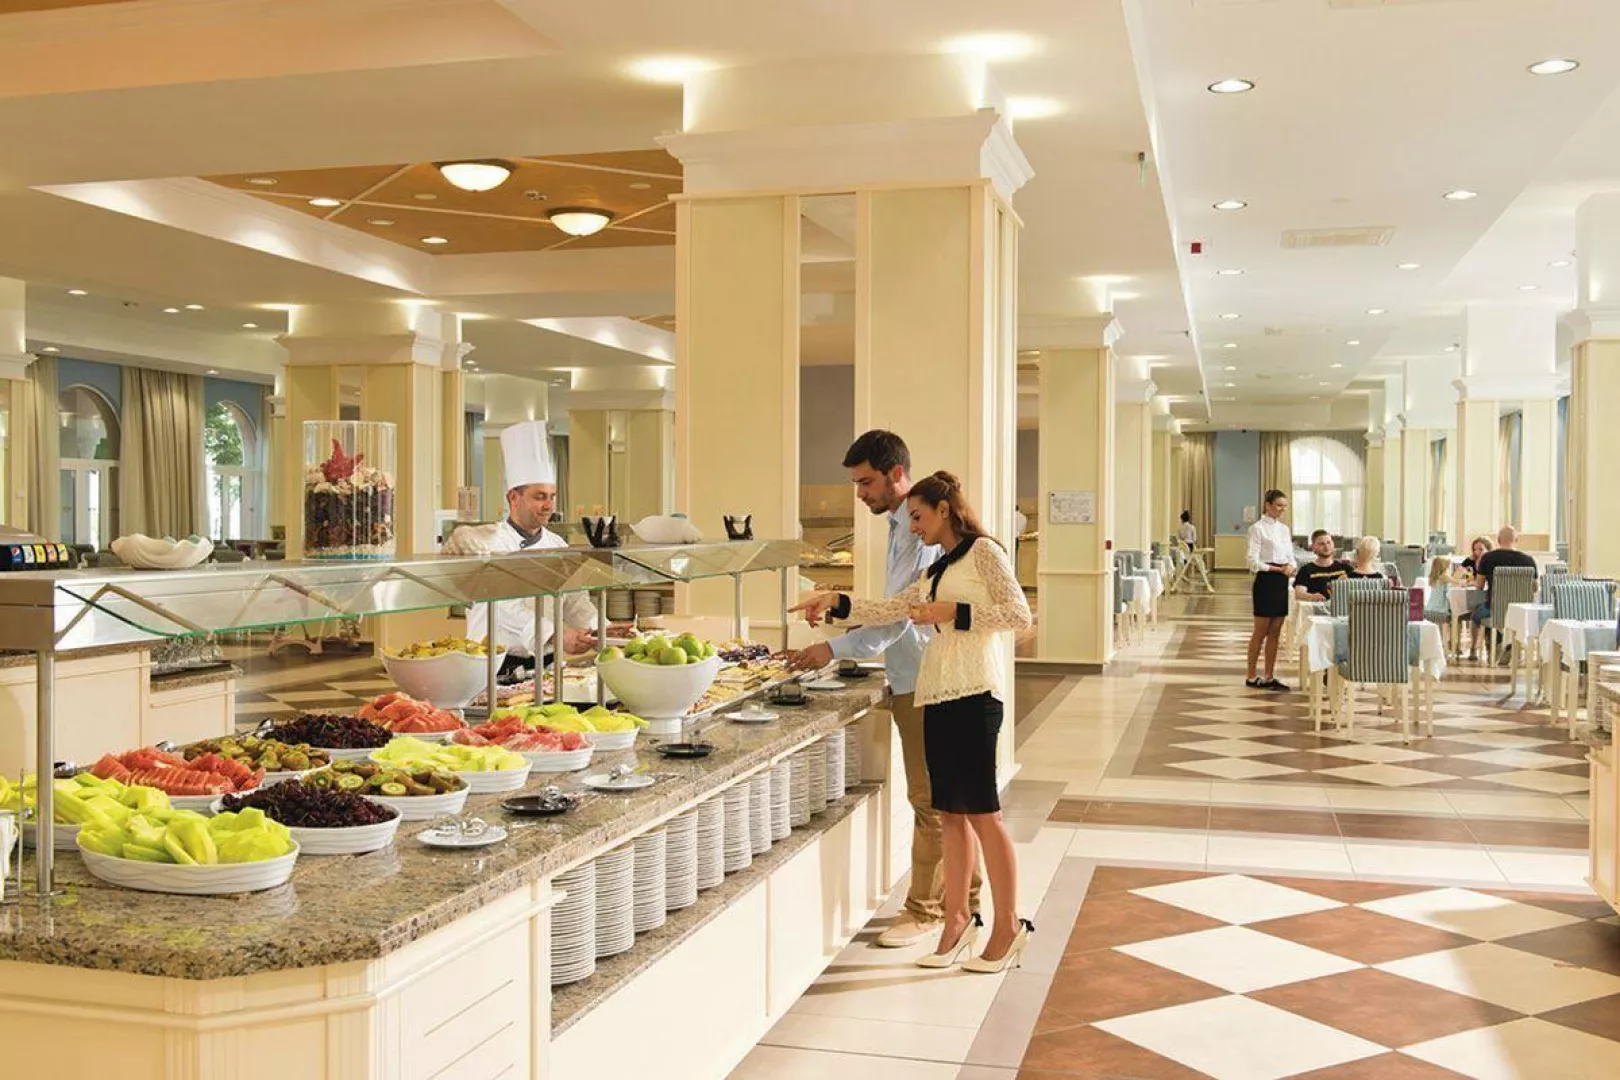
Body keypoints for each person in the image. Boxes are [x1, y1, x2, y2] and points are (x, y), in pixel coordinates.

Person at [792, 472, 1033, 973]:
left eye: (919, 517)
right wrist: (836, 600)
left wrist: (955, 612)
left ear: (944, 509)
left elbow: (1019, 616)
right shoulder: (937, 567)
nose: (914, 527)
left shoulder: (984, 552)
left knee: (983, 816)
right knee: (949, 816)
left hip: (975, 696)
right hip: (936, 695)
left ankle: (1008, 927)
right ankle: (955, 922)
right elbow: (893, 609)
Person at [784, 431, 980, 948]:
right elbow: (893, 608)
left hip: (925, 680)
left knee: (930, 802)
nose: (860, 493)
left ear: (897, 474)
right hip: (913, 675)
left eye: (866, 482)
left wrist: (833, 647)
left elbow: (900, 617)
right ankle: (969, 899)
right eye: (856, 483)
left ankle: (927, 910)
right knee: (948, 803)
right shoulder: (900, 527)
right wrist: (840, 609)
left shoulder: (919, 533)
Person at [452, 421, 602, 680]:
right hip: (494, 666)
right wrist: (556, 634)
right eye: (540, 496)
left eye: (552, 496)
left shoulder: (558, 546)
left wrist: (602, 629)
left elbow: (575, 602)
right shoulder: (487, 544)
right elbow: (503, 608)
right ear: (513, 497)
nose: (549, 505)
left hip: (547, 665)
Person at [1245, 489, 1296, 690]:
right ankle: (1250, 676)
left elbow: (1290, 555)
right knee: (1260, 631)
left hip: (1281, 581)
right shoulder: (1257, 529)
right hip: (1266, 580)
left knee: (1275, 631)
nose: (1282, 509)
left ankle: (1269, 676)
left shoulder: (1284, 529)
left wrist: (1291, 566)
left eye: (1285, 506)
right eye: (1279, 505)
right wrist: (1276, 569)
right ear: (1267, 505)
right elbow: (1252, 561)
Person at [1471, 525, 1538, 660]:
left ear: (1498, 540)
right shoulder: (1529, 560)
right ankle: (1510, 646)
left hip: (1494, 610)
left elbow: (1479, 585)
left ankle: (1489, 646)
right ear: (1517, 540)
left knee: (1476, 614)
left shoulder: (1487, 558)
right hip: (1520, 612)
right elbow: (1535, 588)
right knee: (1490, 612)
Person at [1293, 530, 1351, 601]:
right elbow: (1298, 593)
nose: (1326, 547)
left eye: (1328, 542)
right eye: (1321, 544)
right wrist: (1311, 597)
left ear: (1333, 544)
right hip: (1317, 607)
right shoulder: (1305, 570)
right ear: (1313, 547)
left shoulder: (1345, 568)